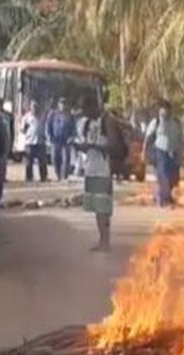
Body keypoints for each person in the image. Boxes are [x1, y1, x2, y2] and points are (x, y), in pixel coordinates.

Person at [74, 96, 115, 252]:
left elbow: (112, 146)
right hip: (90, 169)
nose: (84, 112)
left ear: (94, 107)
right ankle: (102, 241)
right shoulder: (87, 124)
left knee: (103, 208)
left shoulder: (106, 121)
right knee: (96, 209)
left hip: (103, 170)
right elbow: (88, 146)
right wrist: (81, 147)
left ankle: (106, 241)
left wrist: (93, 146)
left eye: (85, 108)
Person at [143, 99, 184, 206]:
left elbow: (181, 140)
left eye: (165, 111)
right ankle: (161, 199)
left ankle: (167, 198)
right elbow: (148, 138)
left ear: (170, 110)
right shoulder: (156, 122)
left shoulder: (176, 123)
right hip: (160, 153)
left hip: (174, 153)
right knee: (163, 177)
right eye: (161, 112)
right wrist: (144, 152)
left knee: (173, 178)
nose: (163, 114)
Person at [46, 97, 76, 180]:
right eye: (61, 103)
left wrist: (72, 137)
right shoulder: (53, 114)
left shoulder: (69, 115)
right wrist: (49, 136)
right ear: (58, 104)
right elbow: (48, 126)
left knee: (66, 158)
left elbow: (73, 127)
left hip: (66, 140)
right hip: (55, 140)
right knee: (55, 158)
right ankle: (58, 175)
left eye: (64, 103)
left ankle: (64, 176)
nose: (62, 105)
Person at [21, 100, 48, 182]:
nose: (35, 109)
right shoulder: (26, 117)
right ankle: (29, 177)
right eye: (33, 107)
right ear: (30, 107)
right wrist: (27, 132)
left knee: (42, 161)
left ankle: (43, 177)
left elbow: (45, 127)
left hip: (40, 142)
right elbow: (22, 129)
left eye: (36, 107)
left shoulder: (42, 116)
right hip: (30, 142)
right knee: (29, 161)